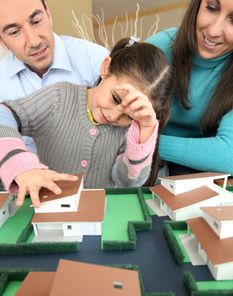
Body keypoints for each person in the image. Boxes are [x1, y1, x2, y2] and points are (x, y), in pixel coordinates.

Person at [0, 37, 173, 207]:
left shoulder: (131, 131)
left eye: (129, 116)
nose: (114, 116)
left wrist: (146, 130)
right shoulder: (58, 98)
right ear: (106, 67)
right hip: (49, 210)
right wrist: (21, 166)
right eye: (115, 99)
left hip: (101, 217)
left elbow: (127, 182)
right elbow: (4, 114)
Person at [0, 0, 109, 152]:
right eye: (14, 32)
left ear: (48, 14)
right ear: (2, 41)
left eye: (36, 21)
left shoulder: (96, 61)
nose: (34, 41)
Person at [146, 0, 233, 176]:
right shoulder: (159, 47)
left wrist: (146, 145)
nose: (213, 31)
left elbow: (228, 155)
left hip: (202, 174)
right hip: (142, 166)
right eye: (212, 8)